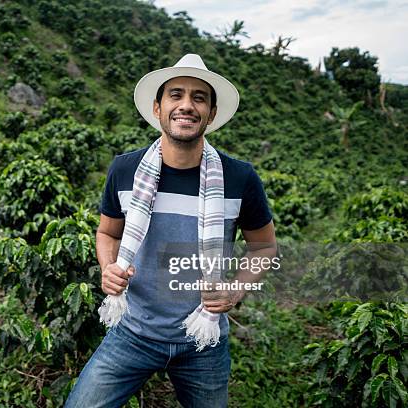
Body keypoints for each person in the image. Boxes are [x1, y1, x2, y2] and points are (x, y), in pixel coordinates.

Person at [64, 54, 277, 408]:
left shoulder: (240, 178)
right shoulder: (125, 169)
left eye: (199, 97)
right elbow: (107, 234)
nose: (186, 105)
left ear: (210, 114)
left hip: (203, 340)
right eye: (175, 95)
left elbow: (264, 247)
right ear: (158, 108)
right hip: (133, 331)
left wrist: (236, 291)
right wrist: (108, 268)